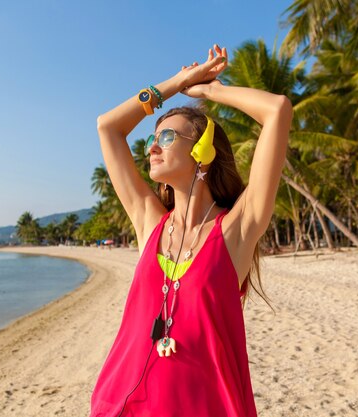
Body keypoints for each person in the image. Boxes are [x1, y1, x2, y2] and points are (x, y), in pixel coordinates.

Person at [89, 44, 292, 417]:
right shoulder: (150, 222)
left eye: (166, 138)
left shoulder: (236, 229)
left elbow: (277, 109)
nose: (152, 148)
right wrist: (177, 82)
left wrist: (208, 90)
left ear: (203, 150)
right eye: (152, 139)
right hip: (124, 406)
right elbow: (108, 127)